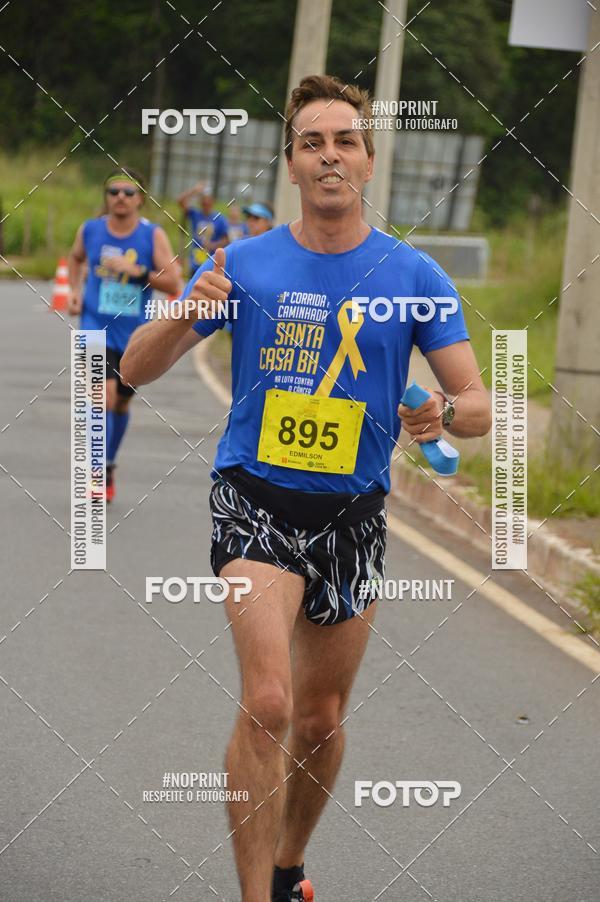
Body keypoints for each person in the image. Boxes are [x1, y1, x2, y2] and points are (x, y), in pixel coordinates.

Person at [121, 74, 491, 902]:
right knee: (269, 702)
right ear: (290, 164)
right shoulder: (243, 264)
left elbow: (477, 407)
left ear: (368, 162)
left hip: (353, 516)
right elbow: (134, 368)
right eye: (312, 143)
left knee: (320, 722)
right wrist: (185, 310)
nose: (329, 156)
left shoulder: (414, 274)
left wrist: (441, 411)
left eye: (345, 141)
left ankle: (289, 867)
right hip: (254, 501)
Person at [68, 168, 179, 502]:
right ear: (106, 197)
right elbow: (75, 259)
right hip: (94, 325)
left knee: (120, 403)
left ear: (140, 199)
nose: (120, 197)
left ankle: (108, 464)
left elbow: (173, 281)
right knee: (103, 396)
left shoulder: (152, 235)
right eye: (113, 191)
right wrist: (74, 292)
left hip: (133, 334)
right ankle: (95, 471)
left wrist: (138, 272)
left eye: (128, 192)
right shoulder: (90, 230)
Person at [177, 181, 229, 274]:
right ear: (200, 202)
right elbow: (180, 201)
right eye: (204, 203)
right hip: (195, 261)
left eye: (208, 203)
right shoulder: (195, 214)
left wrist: (213, 245)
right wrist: (194, 190)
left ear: (213, 202)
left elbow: (226, 240)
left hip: (211, 262)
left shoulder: (219, 219)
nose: (206, 206)